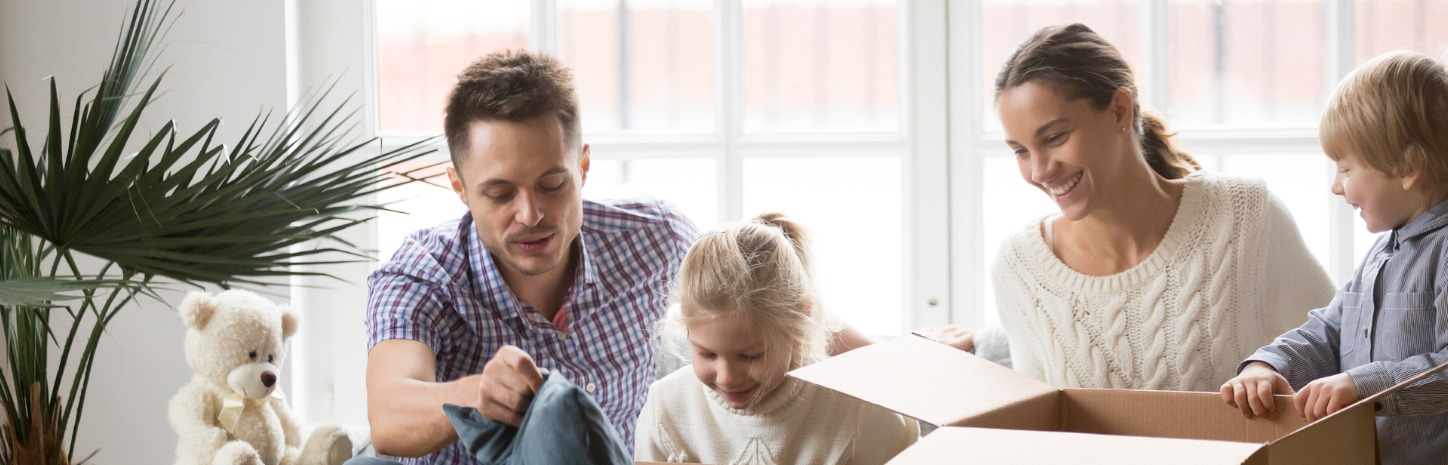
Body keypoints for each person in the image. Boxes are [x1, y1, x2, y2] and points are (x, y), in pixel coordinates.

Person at [360, 50, 698, 464]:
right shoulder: (422, 275)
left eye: (552, 185)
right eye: (500, 194)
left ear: (583, 166)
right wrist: (477, 394)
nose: (530, 214)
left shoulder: (659, 240)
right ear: (460, 187)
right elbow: (389, 416)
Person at [987, 23, 1335, 391]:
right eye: (1021, 151)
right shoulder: (1020, 266)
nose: (1039, 171)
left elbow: (1338, 354)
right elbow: (1035, 426)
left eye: (1054, 137)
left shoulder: (1244, 216)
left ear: (1120, 111)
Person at [1221, 50, 1448, 465]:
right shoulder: (1382, 254)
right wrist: (1268, 364)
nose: (1336, 186)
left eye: (1346, 170)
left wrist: (1364, 384)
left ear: (1409, 167)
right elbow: (1330, 329)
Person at [634, 213, 919, 465]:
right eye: (707, 354)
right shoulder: (666, 407)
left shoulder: (859, 413)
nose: (727, 378)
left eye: (751, 356)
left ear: (800, 322)